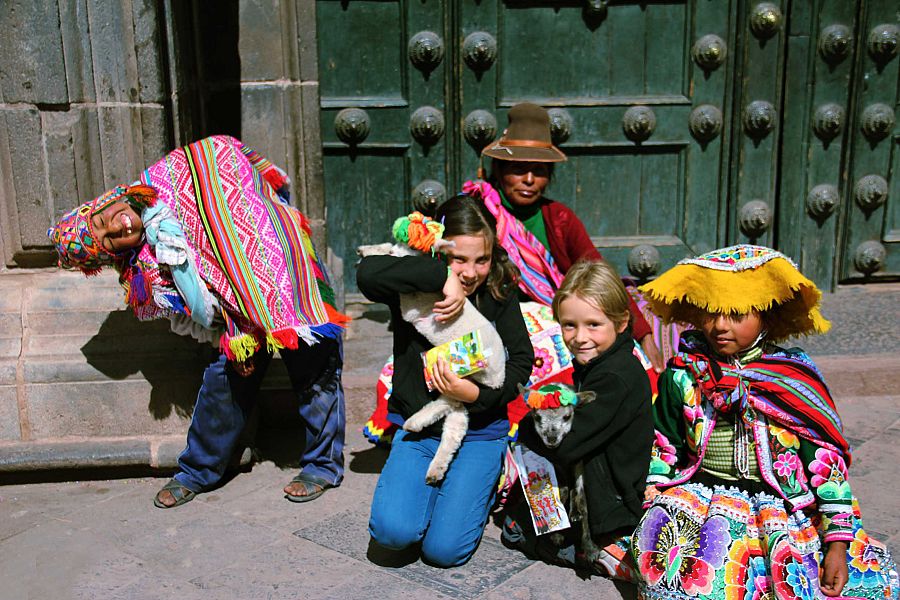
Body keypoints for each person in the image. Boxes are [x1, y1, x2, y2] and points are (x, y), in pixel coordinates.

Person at [48, 135, 349, 508]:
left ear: (102, 203)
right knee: (224, 380)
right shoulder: (145, 273)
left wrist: (259, 264)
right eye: (109, 242)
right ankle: (198, 470)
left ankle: (322, 465)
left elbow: (225, 155)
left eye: (103, 221)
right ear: (114, 256)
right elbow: (190, 318)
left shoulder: (171, 173)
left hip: (287, 282)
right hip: (235, 321)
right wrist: (226, 322)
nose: (118, 227)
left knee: (315, 362)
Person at [631, 244, 898, 599]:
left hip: (782, 505)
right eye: (711, 312)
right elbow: (664, 443)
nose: (720, 326)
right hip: (703, 497)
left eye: (737, 314)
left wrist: (836, 545)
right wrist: (653, 499)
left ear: (766, 318)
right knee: (682, 574)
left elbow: (825, 462)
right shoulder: (683, 375)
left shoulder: (792, 380)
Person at [357, 195, 533, 567]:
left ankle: (475, 485)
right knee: (394, 534)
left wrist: (476, 394)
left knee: (444, 552)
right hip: (422, 429)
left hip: (481, 432)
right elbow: (366, 275)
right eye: (458, 259)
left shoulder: (498, 290)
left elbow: (521, 362)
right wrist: (441, 278)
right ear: (439, 252)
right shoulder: (416, 285)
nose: (470, 273)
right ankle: (433, 494)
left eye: (481, 260)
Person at [467, 101, 667, 372]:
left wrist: (643, 335)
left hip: (554, 319)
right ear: (499, 171)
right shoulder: (479, 211)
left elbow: (597, 271)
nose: (529, 179)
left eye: (539, 171)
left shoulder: (559, 218)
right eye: (517, 168)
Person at [503, 260, 653, 579]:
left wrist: (529, 426)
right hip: (605, 481)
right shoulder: (601, 363)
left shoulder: (615, 377)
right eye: (570, 325)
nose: (580, 337)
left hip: (611, 504)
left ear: (622, 322)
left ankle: (595, 551)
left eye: (593, 325)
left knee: (516, 529)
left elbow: (565, 444)